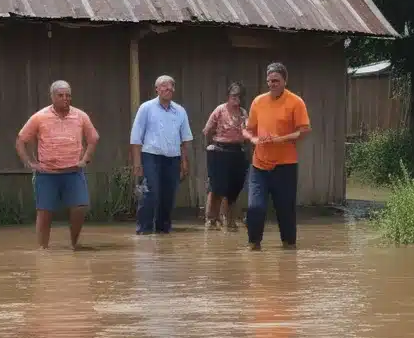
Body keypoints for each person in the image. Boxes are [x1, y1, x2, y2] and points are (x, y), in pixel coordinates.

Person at [15, 80, 99, 249]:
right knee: (45, 212)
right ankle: (42, 249)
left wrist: (85, 159)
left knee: (80, 207)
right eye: (60, 95)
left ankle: (74, 244)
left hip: (73, 171)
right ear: (52, 96)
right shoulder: (40, 117)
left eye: (68, 95)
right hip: (47, 173)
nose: (65, 98)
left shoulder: (80, 116)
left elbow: (94, 138)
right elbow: (21, 140)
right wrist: (30, 163)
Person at [244, 63, 311, 250]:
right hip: (259, 165)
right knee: (255, 208)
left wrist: (279, 139)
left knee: (285, 211)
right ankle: (253, 246)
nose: (272, 84)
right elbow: (248, 130)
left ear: (284, 81)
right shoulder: (258, 102)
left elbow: (304, 131)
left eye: (276, 81)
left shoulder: (296, 102)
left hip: (285, 166)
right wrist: (254, 140)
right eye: (269, 81)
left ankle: (289, 249)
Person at [130, 75, 193, 235]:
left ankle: (163, 229)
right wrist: (137, 163)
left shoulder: (180, 111)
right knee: (150, 192)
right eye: (164, 86)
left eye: (171, 86)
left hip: (173, 158)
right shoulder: (146, 108)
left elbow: (185, 139)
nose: (168, 89)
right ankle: (144, 229)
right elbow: (136, 137)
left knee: (169, 194)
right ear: (157, 89)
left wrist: (185, 162)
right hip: (151, 156)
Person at [202, 82, 250, 230]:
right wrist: (212, 145)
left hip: (237, 151)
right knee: (217, 186)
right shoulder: (220, 110)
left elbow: (248, 132)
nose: (237, 99)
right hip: (219, 150)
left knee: (234, 186)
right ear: (228, 96)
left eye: (239, 96)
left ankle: (229, 219)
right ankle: (212, 219)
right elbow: (207, 130)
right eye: (234, 96)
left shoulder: (243, 113)